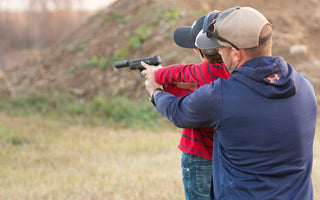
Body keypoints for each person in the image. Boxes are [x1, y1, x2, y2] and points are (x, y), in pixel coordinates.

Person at [142, 6, 317, 200]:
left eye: (220, 48)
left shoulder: (221, 95)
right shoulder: (305, 87)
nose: (218, 54)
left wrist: (155, 91)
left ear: (235, 53)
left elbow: (178, 111)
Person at [145, 12, 230, 200]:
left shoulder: (198, 71)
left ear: (200, 50)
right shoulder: (231, 75)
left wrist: (155, 76)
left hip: (197, 157)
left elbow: (170, 74)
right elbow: (195, 97)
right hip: (223, 161)